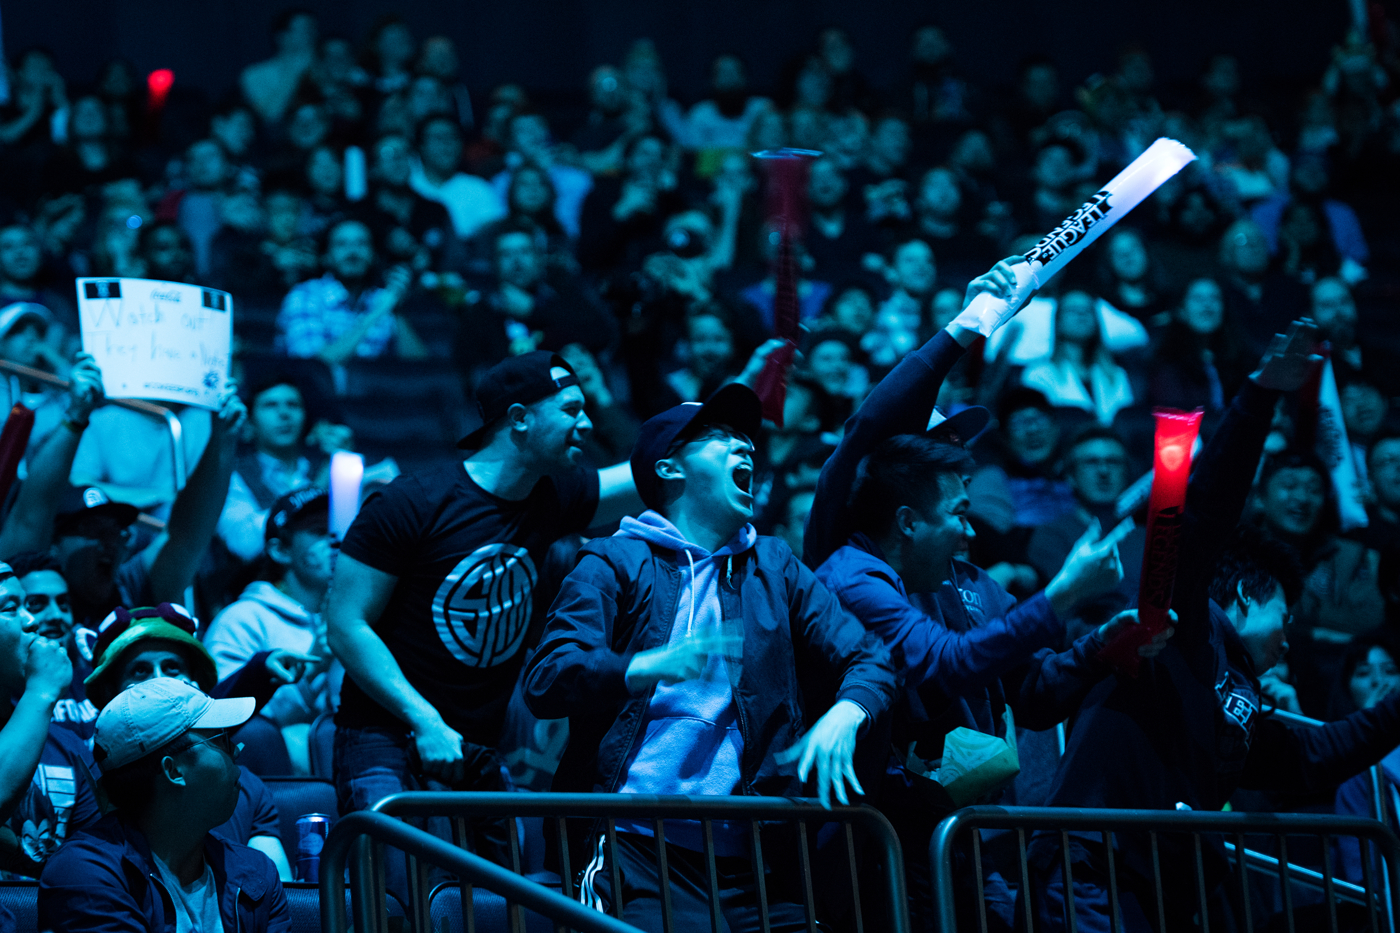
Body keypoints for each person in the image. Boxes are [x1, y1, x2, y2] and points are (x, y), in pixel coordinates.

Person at [805, 259, 1160, 931]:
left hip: (971, 843)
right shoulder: (848, 562)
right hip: (872, 843)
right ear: (905, 491)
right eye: (938, 451)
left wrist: (1105, 644)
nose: (957, 461)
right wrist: (965, 328)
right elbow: (946, 661)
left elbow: (1035, 691)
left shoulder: (972, 582)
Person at [1030, 321, 1400, 931]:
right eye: (1286, 613)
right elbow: (1207, 515)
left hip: (1159, 891)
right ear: (1246, 598)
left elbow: (1321, 753)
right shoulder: (1180, 627)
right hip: (1091, 873)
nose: (1290, 635)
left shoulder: (1242, 702)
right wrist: (1259, 400)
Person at [523, 382, 897, 931]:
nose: (744, 445)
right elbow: (548, 677)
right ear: (670, 469)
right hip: (633, 848)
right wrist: (641, 666)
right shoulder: (612, 560)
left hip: (754, 853)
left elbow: (870, 656)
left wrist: (849, 710)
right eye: (721, 437)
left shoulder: (774, 564)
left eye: (745, 437)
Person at [327, 351, 642, 895]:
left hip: (475, 744)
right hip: (384, 731)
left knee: (502, 903)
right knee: (394, 897)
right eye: (571, 409)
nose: (585, 425)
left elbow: (643, 475)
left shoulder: (552, 496)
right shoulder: (412, 502)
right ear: (519, 419)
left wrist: (719, 415)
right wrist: (424, 721)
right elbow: (346, 624)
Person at [39, 679, 291, 933]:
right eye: (221, 740)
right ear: (173, 770)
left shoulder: (255, 873)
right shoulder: (85, 874)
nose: (236, 750)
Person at [83, 602, 299, 874]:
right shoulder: (91, 789)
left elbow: (275, 893)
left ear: (195, 682)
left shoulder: (246, 786)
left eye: (172, 668)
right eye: (140, 671)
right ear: (109, 692)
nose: (159, 680)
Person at [204, 488, 338, 776]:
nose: (336, 542)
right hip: (280, 787)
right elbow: (231, 725)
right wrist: (315, 663)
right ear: (281, 550)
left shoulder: (359, 617)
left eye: (339, 530)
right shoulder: (242, 620)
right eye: (319, 532)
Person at [0, 560, 81, 890]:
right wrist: (42, 690)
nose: (31, 621)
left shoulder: (64, 745)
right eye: (11, 608)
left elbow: (97, 863)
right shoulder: (41, 700)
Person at [275, 218, 428, 366]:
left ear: (374, 255)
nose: (353, 252)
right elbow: (314, 368)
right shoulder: (305, 296)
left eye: (362, 243)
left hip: (373, 391)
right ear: (325, 257)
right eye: (341, 244)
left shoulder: (382, 298)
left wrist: (396, 311)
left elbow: (419, 368)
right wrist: (377, 312)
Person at [409, 114, 506, 240]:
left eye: (452, 137)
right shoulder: (409, 185)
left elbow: (493, 228)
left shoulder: (478, 188)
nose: (446, 145)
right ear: (420, 146)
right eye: (438, 138)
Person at [240, 8, 319, 125]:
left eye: (313, 29)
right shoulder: (255, 74)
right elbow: (271, 115)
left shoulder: (325, 69)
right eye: (304, 30)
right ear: (282, 37)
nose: (311, 35)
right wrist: (295, 71)